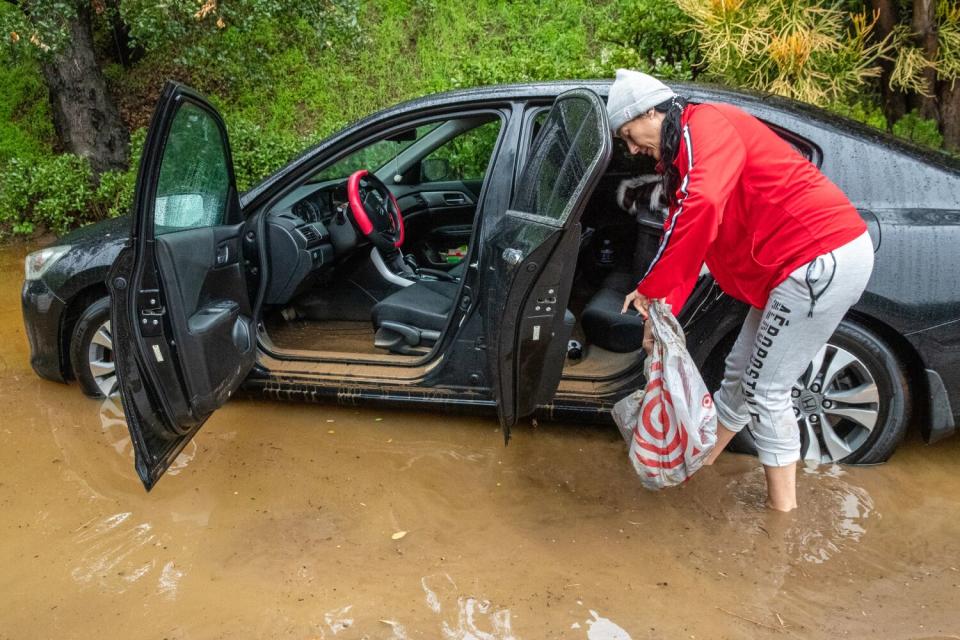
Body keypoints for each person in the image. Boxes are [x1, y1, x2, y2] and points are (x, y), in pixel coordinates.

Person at [606, 69, 874, 511]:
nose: (632, 149)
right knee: (738, 372)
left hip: (817, 258)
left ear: (651, 112)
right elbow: (687, 232)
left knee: (766, 391)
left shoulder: (708, 126)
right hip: (790, 268)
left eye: (629, 134)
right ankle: (703, 464)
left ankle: (781, 522)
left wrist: (651, 292)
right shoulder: (682, 156)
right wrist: (660, 313)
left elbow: (703, 207)